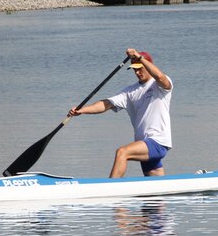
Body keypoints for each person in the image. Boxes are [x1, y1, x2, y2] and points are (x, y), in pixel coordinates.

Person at [68, 48, 173, 178]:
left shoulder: (159, 86)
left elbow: (160, 77)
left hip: (158, 141)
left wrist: (140, 57)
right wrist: (82, 110)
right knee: (157, 189)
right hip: (143, 143)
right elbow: (106, 104)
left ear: (148, 65)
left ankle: (108, 189)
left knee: (122, 152)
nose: (137, 72)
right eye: (135, 69)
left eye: (140, 68)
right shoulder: (129, 91)